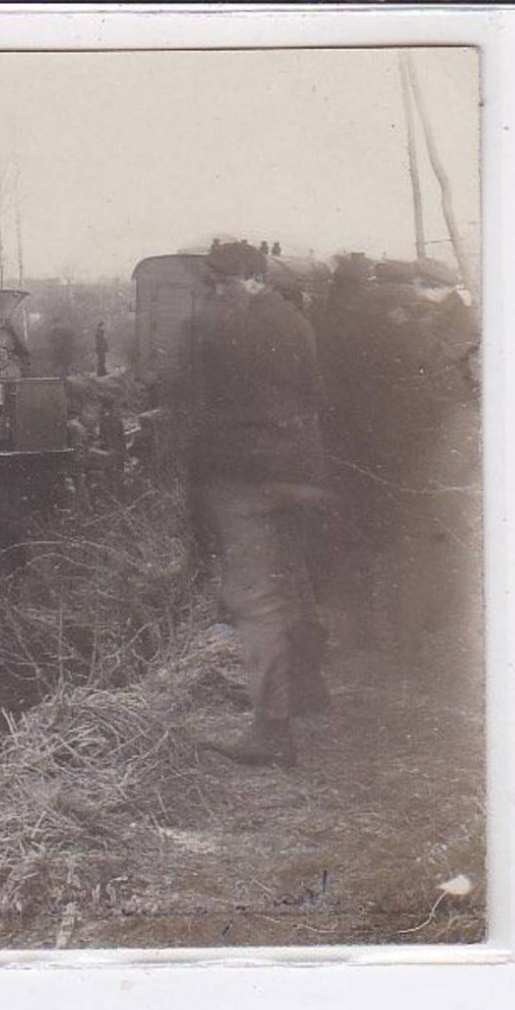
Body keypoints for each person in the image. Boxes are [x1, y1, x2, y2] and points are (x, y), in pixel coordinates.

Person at [184, 240, 331, 768]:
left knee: (255, 602)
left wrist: (195, 484)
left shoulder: (221, 329)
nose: (216, 294)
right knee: (293, 577)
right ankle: (311, 683)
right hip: (301, 472)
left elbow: (202, 413)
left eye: (222, 284)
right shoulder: (296, 320)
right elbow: (312, 394)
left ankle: (271, 729)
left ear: (248, 278)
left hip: (247, 478)